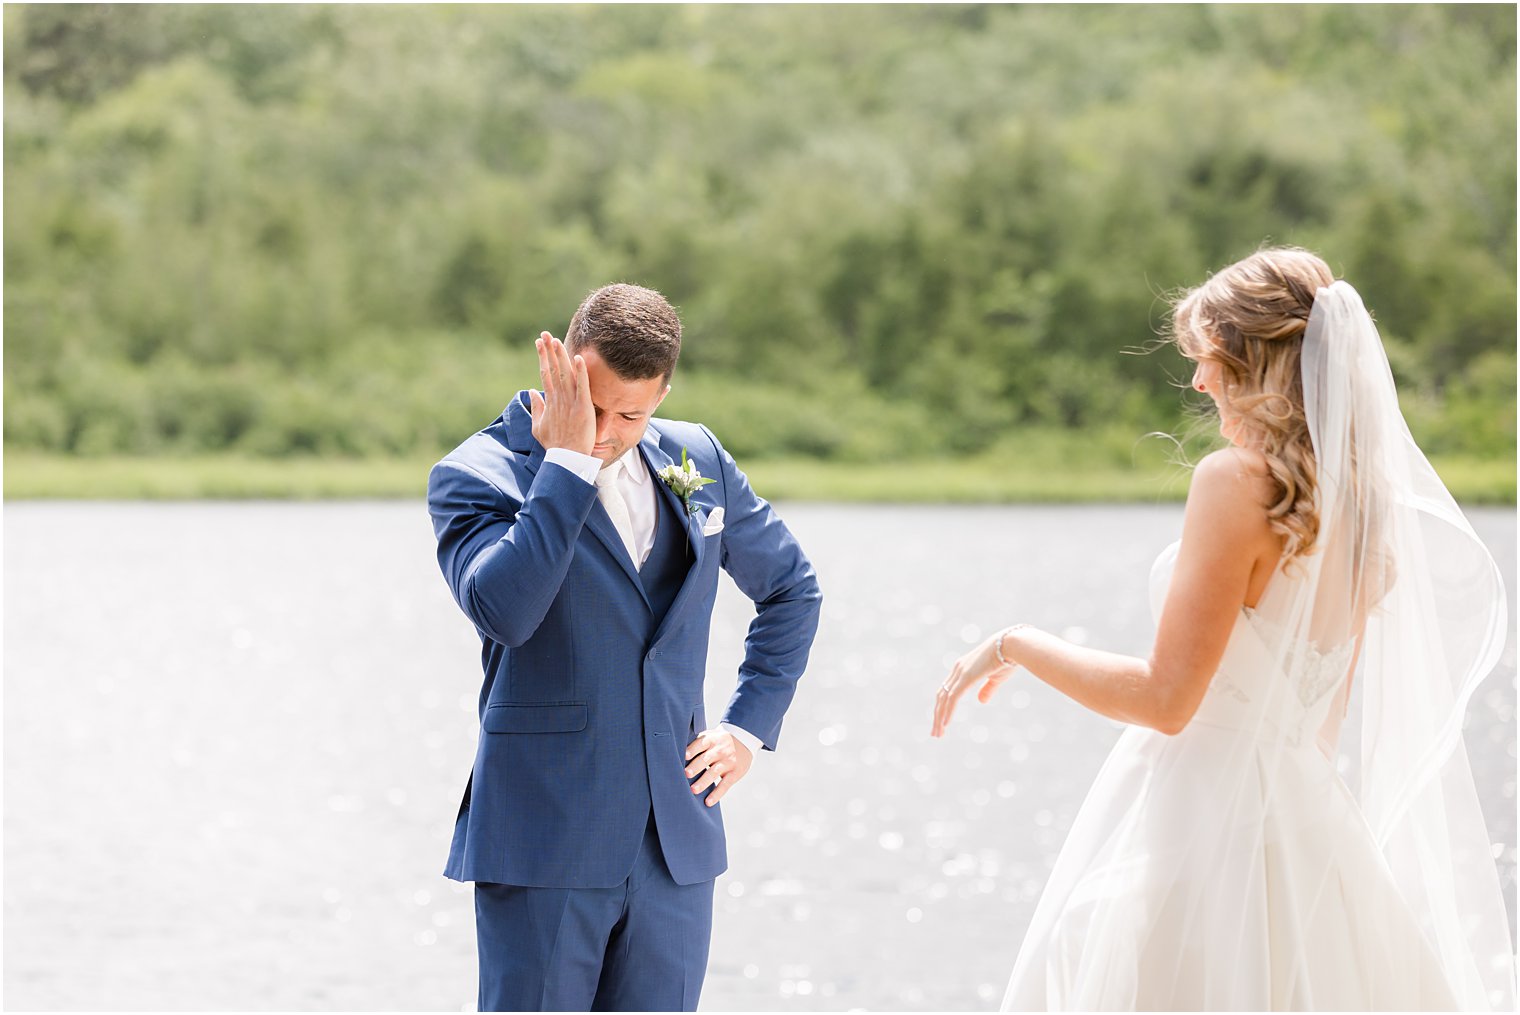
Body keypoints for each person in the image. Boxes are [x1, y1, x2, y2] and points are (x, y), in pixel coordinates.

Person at [932, 248, 1515, 1011]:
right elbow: (1320, 725)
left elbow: (1167, 699)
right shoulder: (1363, 507)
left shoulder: (1235, 484)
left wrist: (1016, 642)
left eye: (1210, 359)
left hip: (1204, 828)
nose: (1199, 382)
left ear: (1258, 362)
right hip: (1305, 833)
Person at [428, 283, 822, 1012]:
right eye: (595, 404)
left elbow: (792, 590)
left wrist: (744, 728)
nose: (607, 430)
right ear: (562, 365)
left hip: (675, 848)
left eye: (631, 414)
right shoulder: (477, 473)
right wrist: (568, 466)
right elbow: (505, 611)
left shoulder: (696, 456)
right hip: (543, 842)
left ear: (664, 391)